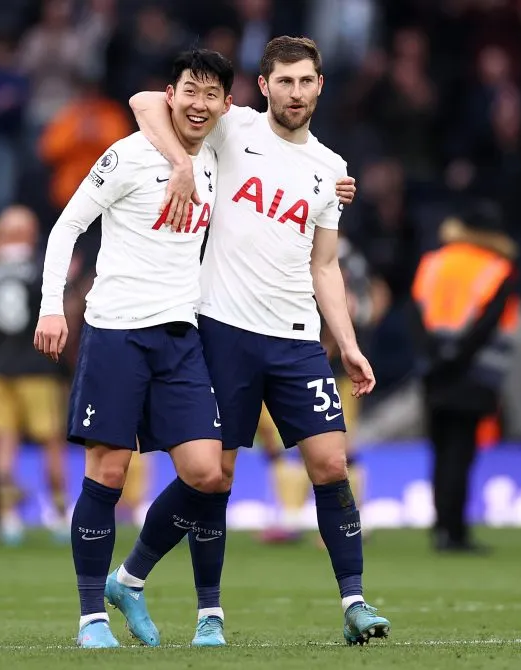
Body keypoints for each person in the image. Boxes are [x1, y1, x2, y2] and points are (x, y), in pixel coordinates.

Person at [126, 36, 390, 645]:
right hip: (223, 330)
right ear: (263, 86)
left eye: (306, 81)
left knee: (330, 463)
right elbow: (145, 102)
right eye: (285, 82)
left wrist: (346, 342)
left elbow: (325, 266)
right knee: (214, 475)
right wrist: (183, 163)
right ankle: (186, 601)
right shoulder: (232, 125)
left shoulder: (330, 169)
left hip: (297, 340)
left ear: (320, 85)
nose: (296, 93)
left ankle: (354, 603)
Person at [34, 49, 233, 649]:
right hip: (117, 330)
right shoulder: (125, 154)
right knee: (108, 472)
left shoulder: (223, 153)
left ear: (226, 103)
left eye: (211, 95)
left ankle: (130, 579)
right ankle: (91, 617)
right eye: (188, 92)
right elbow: (66, 226)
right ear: (171, 94)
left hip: (180, 335)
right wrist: (49, 305)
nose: (199, 105)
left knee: (207, 473)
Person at [0, 205, 70, 545]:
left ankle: (8, 520)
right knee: (51, 443)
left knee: (4, 444)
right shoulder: (42, 268)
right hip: (39, 367)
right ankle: (61, 516)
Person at [409, 201, 519, 554]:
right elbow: (487, 324)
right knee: (461, 452)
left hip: (434, 374)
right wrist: (457, 357)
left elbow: (414, 313)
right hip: (473, 375)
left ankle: (441, 528)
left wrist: (433, 359)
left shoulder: (433, 262)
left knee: (440, 452)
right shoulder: (496, 268)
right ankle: (454, 533)